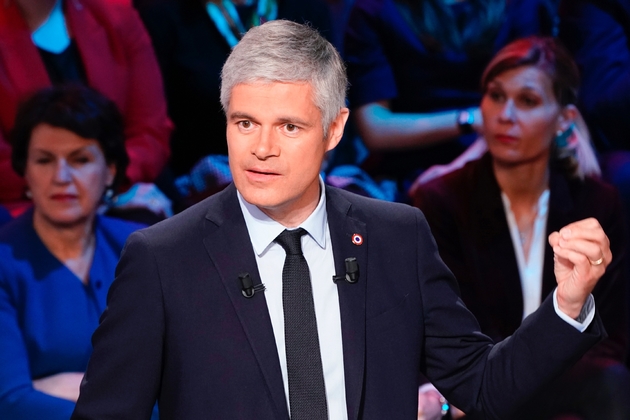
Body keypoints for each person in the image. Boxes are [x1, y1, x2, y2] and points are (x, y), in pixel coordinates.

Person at [72, 21, 610, 420]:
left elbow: (482, 386)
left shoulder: (398, 238)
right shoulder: (163, 258)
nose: (261, 148)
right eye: (244, 123)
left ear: (334, 131)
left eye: (288, 127)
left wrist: (567, 305)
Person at [411, 36, 630, 419]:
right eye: (496, 96)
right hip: (478, 387)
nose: (505, 114)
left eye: (527, 101)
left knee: (611, 379)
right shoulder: (441, 201)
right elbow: (449, 335)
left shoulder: (596, 203)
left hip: (569, 384)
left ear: (563, 118)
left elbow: (611, 332)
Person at [0, 85, 147, 419]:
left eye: (80, 160)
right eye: (44, 160)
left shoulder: (145, 250)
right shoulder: (4, 263)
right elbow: (9, 403)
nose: (61, 177)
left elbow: (187, 383)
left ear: (109, 170)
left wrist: (76, 389)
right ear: (25, 171)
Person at [344, 0, 558, 198]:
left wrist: (455, 171)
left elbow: (533, 104)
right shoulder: (376, 9)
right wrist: (471, 119)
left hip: (498, 155)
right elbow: (375, 128)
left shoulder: (520, 6)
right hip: (408, 169)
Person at [0, 0, 172, 215]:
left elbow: (150, 131)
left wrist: (105, 187)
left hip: (124, 186)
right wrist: (87, 192)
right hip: (28, 204)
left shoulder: (114, 12)